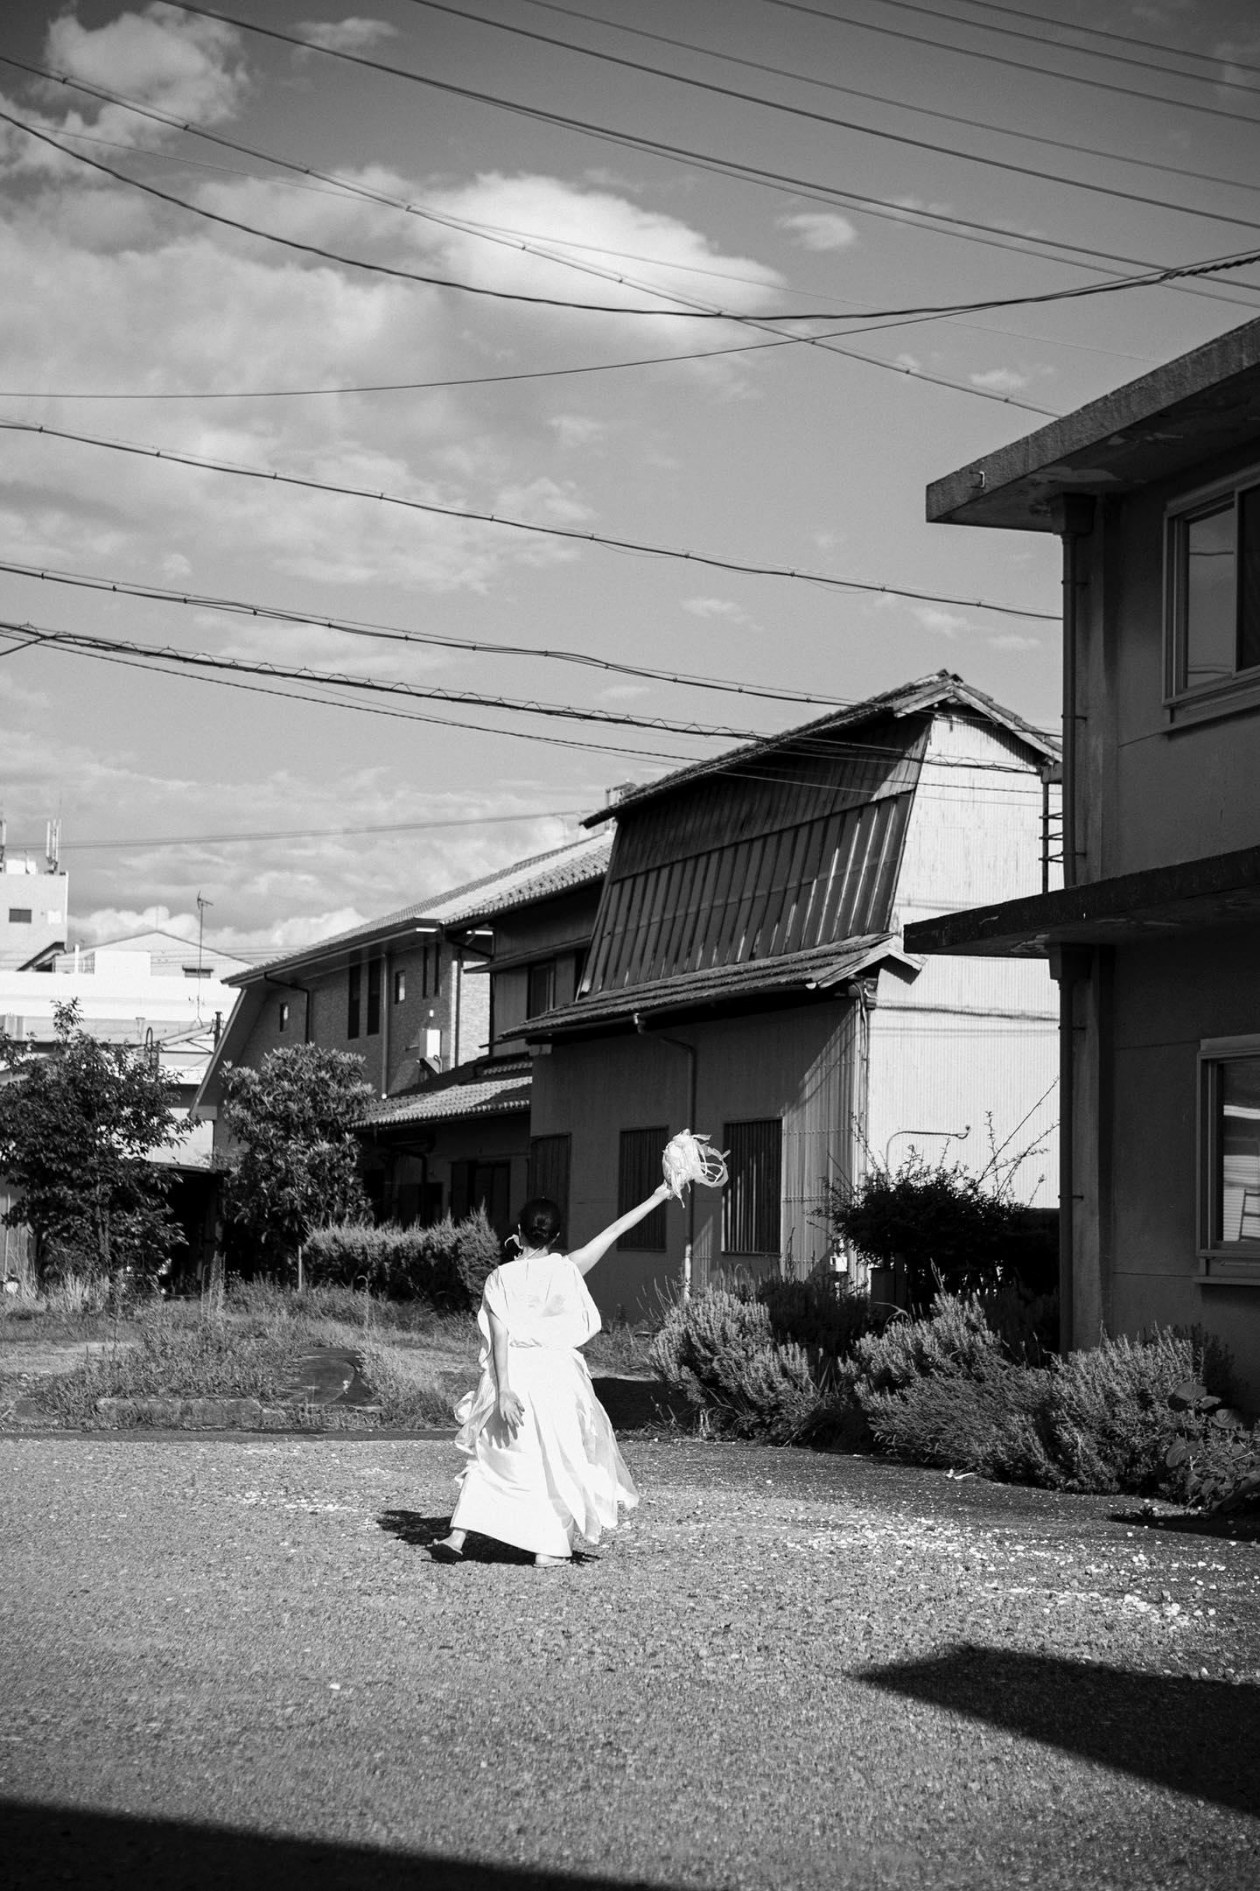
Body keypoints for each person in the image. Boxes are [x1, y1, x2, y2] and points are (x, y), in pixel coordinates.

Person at [430, 1182, 673, 1569]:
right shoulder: (567, 1268)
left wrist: (504, 1391)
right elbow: (614, 1231)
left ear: (519, 1232)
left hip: (516, 1372)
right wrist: (658, 1196)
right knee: (558, 1460)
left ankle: (457, 1537)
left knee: (494, 1454)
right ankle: (548, 1549)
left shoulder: (501, 1278)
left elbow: (500, 1338)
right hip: (558, 1376)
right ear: (555, 1236)